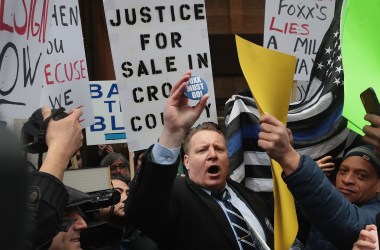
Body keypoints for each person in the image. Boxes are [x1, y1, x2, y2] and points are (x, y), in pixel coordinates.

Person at [125, 71, 274, 250]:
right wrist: (172, 132)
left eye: (219, 148)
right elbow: (141, 211)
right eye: (202, 150)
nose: (212, 154)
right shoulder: (174, 197)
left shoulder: (250, 197)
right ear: (186, 162)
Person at [258, 113, 380, 249]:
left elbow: (348, 222)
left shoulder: (375, 214)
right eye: (343, 171)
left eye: (362, 176)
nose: (347, 180)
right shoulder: (325, 198)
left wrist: (290, 159)